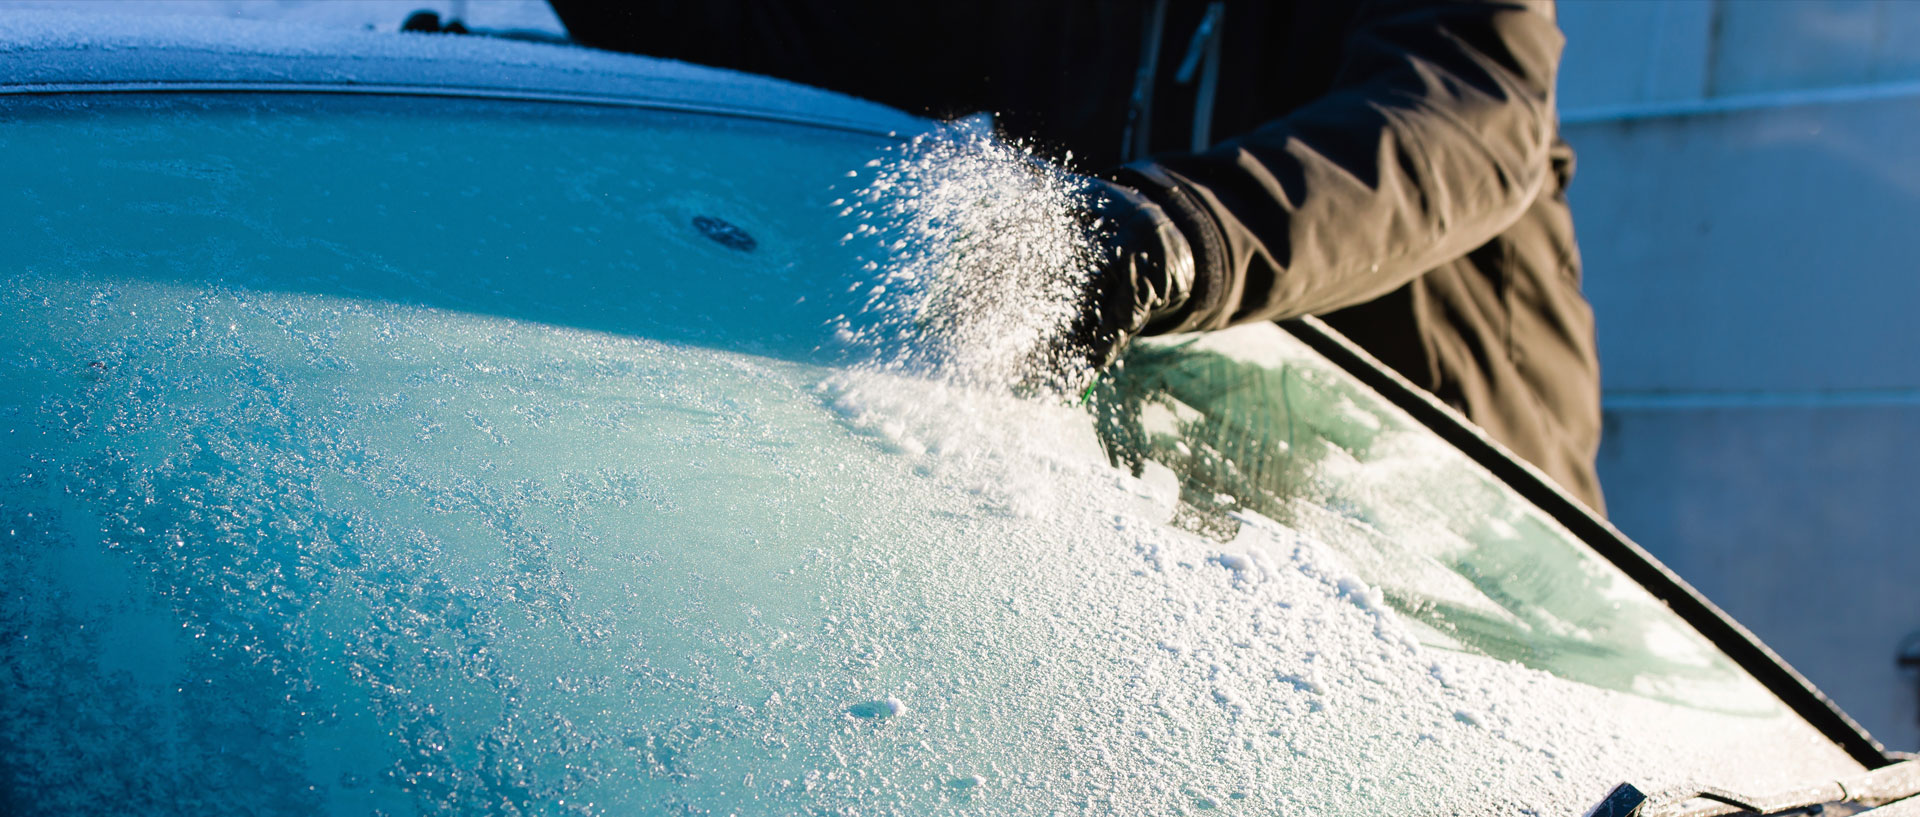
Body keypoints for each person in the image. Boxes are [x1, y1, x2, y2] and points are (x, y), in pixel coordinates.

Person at [546, 0, 1605, 514]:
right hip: (1197, 528)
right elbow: (806, 42)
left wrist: (1176, 234)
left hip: (1458, 516)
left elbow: (1470, 114)